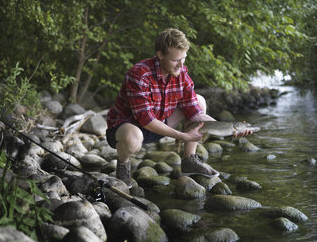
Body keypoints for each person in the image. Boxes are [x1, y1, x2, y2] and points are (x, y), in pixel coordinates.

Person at [106, 28, 251, 188]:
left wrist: (230, 128)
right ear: (160, 55)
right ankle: (123, 165)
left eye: (184, 59)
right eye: (176, 60)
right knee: (133, 139)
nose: (181, 65)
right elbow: (146, 120)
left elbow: (194, 112)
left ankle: (189, 161)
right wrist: (183, 135)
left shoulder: (181, 74)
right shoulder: (139, 75)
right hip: (127, 128)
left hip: (160, 124)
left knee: (199, 101)